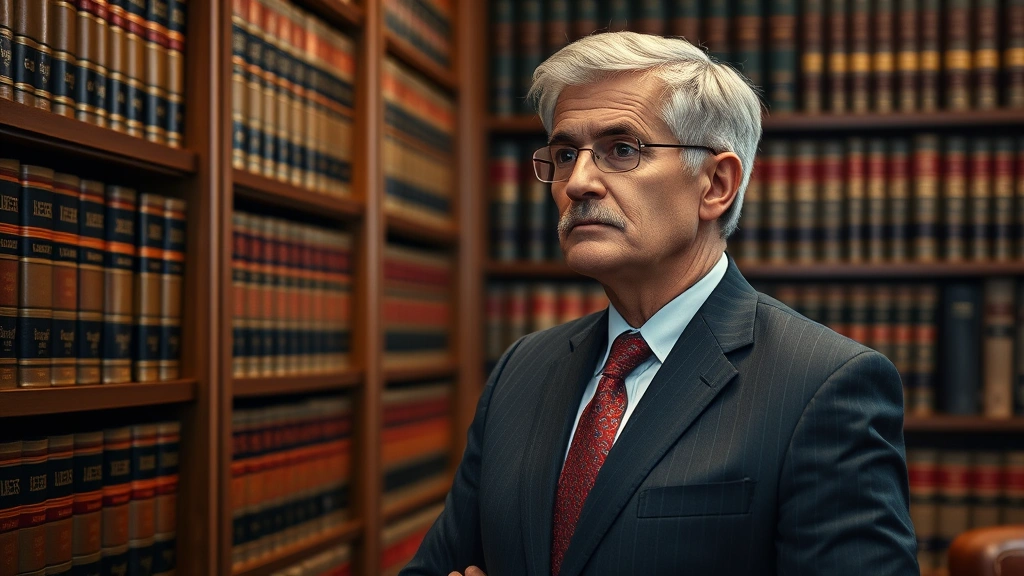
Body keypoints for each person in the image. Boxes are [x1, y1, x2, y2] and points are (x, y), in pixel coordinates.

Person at [401, 31, 918, 576]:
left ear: (716, 184)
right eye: (565, 154)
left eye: (622, 150)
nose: (578, 183)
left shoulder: (824, 384)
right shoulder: (521, 369)